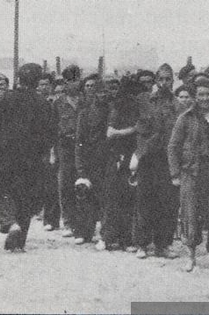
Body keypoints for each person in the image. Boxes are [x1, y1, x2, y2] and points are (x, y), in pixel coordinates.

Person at [0, 63, 49, 251]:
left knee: (2, 190)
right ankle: (19, 241)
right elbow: (50, 132)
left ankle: (10, 223)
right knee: (26, 196)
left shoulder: (6, 99)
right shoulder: (42, 102)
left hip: (6, 154)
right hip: (32, 157)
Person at [168, 80, 209, 272]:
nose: (205, 99)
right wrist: (175, 173)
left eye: (208, 94)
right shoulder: (186, 118)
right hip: (191, 173)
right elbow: (173, 147)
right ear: (195, 97)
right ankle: (191, 256)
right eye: (200, 95)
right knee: (190, 215)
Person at [129, 63, 179, 259]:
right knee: (144, 201)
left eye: (168, 79)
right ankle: (141, 244)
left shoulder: (177, 104)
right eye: (161, 79)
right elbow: (138, 130)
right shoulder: (144, 100)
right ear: (156, 81)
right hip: (148, 158)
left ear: (173, 81)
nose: (164, 82)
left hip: (168, 160)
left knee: (167, 204)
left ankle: (162, 245)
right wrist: (138, 154)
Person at [97, 76, 139, 252]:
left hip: (128, 155)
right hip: (116, 156)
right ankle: (107, 237)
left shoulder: (129, 107)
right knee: (113, 198)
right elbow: (110, 133)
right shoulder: (117, 108)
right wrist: (130, 131)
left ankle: (124, 238)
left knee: (125, 198)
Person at [73, 75, 111, 244]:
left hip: (108, 160)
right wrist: (80, 168)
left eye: (105, 92)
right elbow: (79, 142)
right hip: (90, 160)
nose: (102, 95)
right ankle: (83, 232)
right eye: (99, 92)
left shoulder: (112, 111)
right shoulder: (85, 114)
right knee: (85, 197)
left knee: (106, 198)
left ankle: (106, 234)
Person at [55, 65, 84, 238]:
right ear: (64, 82)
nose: (73, 84)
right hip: (64, 146)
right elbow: (52, 127)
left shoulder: (86, 100)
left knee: (82, 183)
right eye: (69, 80)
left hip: (82, 147)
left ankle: (81, 222)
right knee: (65, 183)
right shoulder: (58, 103)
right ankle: (67, 221)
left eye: (76, 79)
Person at [36, 73, 60, 231]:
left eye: (46, 84)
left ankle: (51, 219)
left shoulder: (55, 103)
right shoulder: (35, 102)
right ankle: (40, 212)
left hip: (52, 145)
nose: (44, 87)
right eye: (41, 84)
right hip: (37, 146)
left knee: (52, 183)